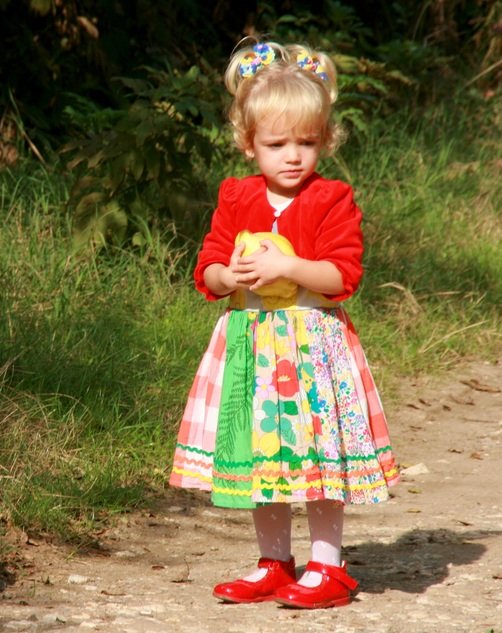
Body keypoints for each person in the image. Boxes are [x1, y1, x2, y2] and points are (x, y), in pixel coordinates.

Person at [168, 39, 400, 609]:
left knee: (314, 457)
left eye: (307, 142)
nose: (293, 155)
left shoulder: (331, 199)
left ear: (325, 139)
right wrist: (233, 276)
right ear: (250, 145)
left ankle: (329, 566)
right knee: (261, 457)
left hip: (310, 345)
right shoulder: (237, 197)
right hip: (250, 341)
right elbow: (208, 268)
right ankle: (275, 561)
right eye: (277, 144)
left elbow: (342, 275)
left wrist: (288, 266)